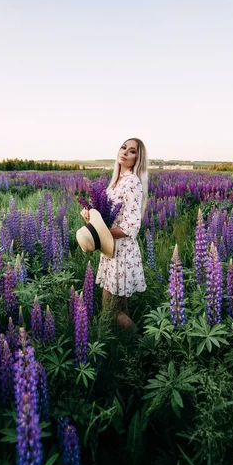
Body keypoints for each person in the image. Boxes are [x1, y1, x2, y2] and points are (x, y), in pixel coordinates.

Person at [81, 138, 148, 332]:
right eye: (123, 147)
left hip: (121, 251)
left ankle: (142, 346)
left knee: (110, 309)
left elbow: (132, 226)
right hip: (111, 248)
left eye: (132, 151)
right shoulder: (116, 182)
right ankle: (129, 348)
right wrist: (90, 218)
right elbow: (107, 218)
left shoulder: (132, 182)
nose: (125, 152)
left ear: (138, 158)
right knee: (120, 306)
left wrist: (100, 232)